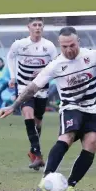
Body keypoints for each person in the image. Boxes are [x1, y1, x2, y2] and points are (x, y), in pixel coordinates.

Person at [0, 26, 96, 191]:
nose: (68, 50)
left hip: (91, 109)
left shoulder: (93, 56)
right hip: (70, 108)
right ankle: (46, 180)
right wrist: (14, 106)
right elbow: (32, 88)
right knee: (67, 137)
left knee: (93, 142)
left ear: (78, 42)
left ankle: (70, 185)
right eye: (64, 46)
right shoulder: (55, 65)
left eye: (72, 45)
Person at [6, 17, 58, 170]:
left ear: (43, 27)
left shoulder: (49, 46)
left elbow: (56, 64)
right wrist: (12, 76)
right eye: (34, 25)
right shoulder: (19, 44)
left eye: (40, 25)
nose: (37, 27)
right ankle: (38, 154)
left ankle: (33, 150)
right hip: (23, 86)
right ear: (28, 27)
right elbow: (10, 57)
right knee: (28, 114)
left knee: (37, 122)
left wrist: (43, 71)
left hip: (41, 88)